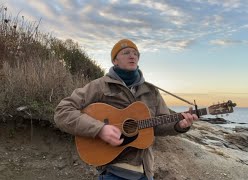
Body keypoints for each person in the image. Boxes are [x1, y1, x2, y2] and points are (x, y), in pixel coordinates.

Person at [54, 39, 198, 180]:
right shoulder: (100, 86)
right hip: (113, 171)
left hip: (146, 172)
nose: (132, 56)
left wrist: (179, 125)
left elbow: (158, 126)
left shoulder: (151, 91)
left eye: (135, 53)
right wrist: (99, 129)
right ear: (115, 61)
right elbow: (63, 112)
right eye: (126, 52)